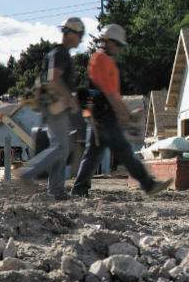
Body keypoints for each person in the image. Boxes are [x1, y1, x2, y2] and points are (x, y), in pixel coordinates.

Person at [72, 24, 173, 197]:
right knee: (125, 152)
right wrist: (126, 117)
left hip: (100, 116)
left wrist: (127, 115)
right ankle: (148, 185)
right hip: (104, 117)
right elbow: (109, 95)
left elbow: (115, 96)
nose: (118, 48)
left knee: (92, 155)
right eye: (117, 44)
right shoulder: (101, 60)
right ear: (107, 41)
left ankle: (79, 190)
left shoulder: (106, 61)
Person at [16, 17, 86, 200]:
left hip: (53, 105)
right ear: (71, 34)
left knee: (62, 147)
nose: (80, 39)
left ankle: (56, 190)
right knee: (61, 147)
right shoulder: (60, 53)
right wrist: (69, 99)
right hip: (56, 106)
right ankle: (27, 172)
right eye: (80, 35)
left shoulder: (57, 53)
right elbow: (54, 79)